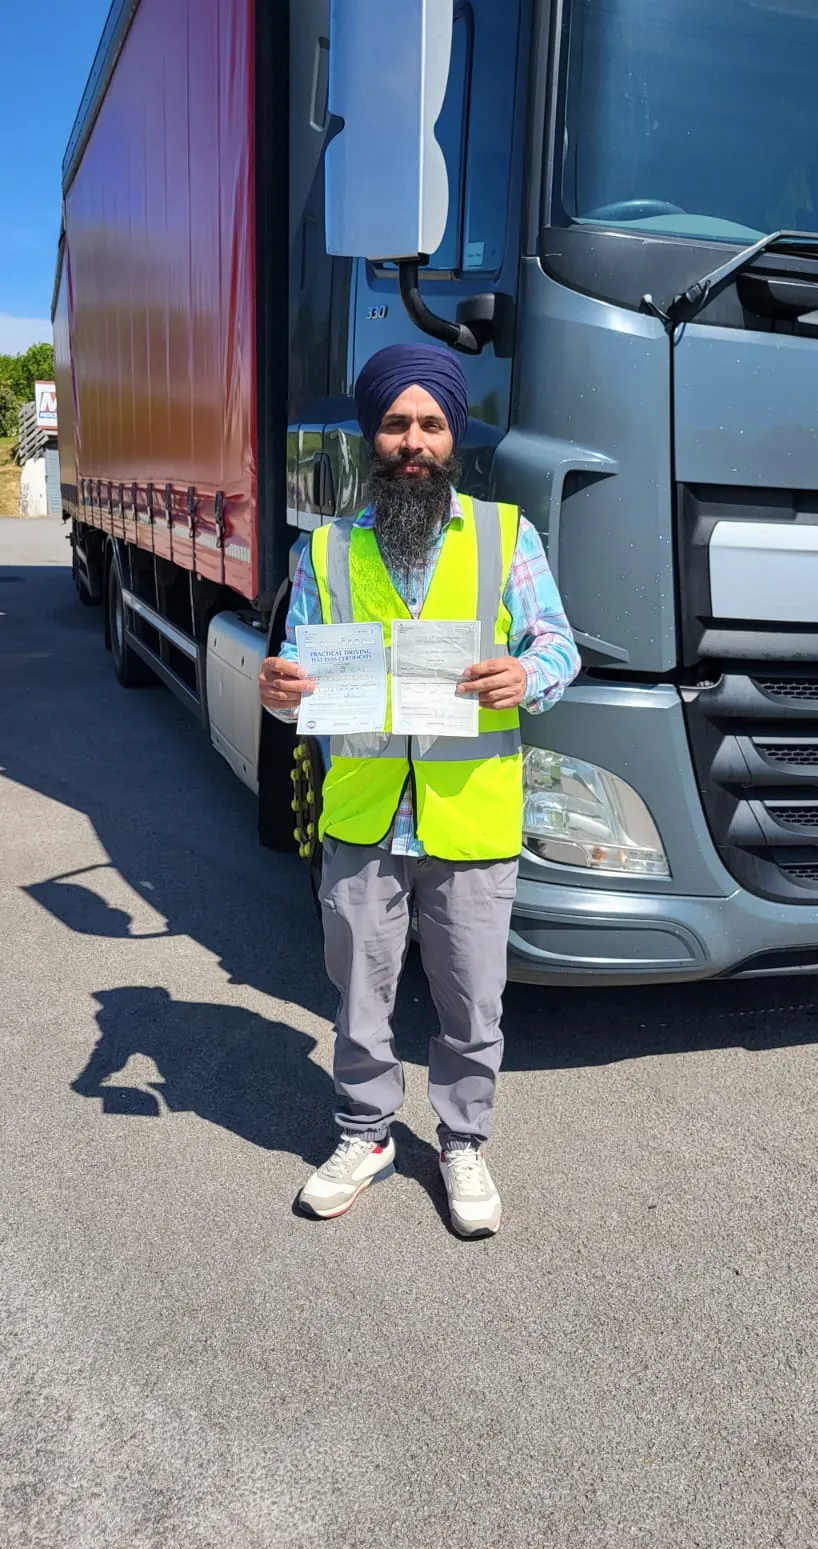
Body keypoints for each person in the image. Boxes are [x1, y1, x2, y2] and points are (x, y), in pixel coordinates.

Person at [259, 344, 579, 1238]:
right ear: (372, 436)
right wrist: (282, 691)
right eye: (396, 424)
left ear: (454, 435)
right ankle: (365, 1134)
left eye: (430, 424)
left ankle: (462, 1142)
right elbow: (301, 672)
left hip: (468, 811)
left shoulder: (508, 536)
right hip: (363, 812)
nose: (413, 441)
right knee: (359, 991)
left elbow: (561, 642)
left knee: (472, 996)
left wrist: (528, 674)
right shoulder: (323, 549)